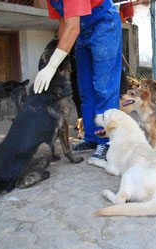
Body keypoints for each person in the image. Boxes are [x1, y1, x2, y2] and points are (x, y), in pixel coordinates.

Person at [34, 0, 122, 166]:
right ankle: (90, 137)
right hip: (81, 30)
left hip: (104, 23)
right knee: (85, 89)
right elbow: (64, 23)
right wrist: (59, 57)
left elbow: (72, 27)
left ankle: (105, 142)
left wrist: (51, 66)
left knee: (104, 87)